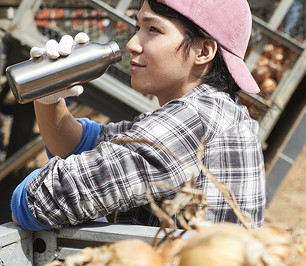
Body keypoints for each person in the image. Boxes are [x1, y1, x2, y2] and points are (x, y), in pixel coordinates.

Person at [10, 0, 266, 231]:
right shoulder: (208, 109)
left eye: (153, 30)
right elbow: (79, 143)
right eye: (137, 28)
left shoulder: (194, 119)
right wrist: (50, 95)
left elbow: (45, 200)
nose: (132, 44)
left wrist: (29, 191)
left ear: (203, 51)